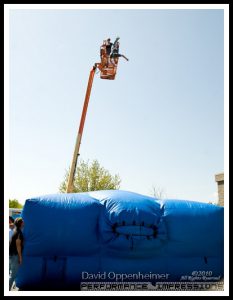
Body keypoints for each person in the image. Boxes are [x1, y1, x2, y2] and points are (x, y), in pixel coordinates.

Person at [9, 217, 24, 290]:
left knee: (12, 272)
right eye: (23, 222)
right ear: (20, 223)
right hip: (15, 255)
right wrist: (20, 257)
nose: (24, 223)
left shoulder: (15, 230)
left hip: (11, 254)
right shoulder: (19, 233)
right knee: (13, 274)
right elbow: (18, 245)